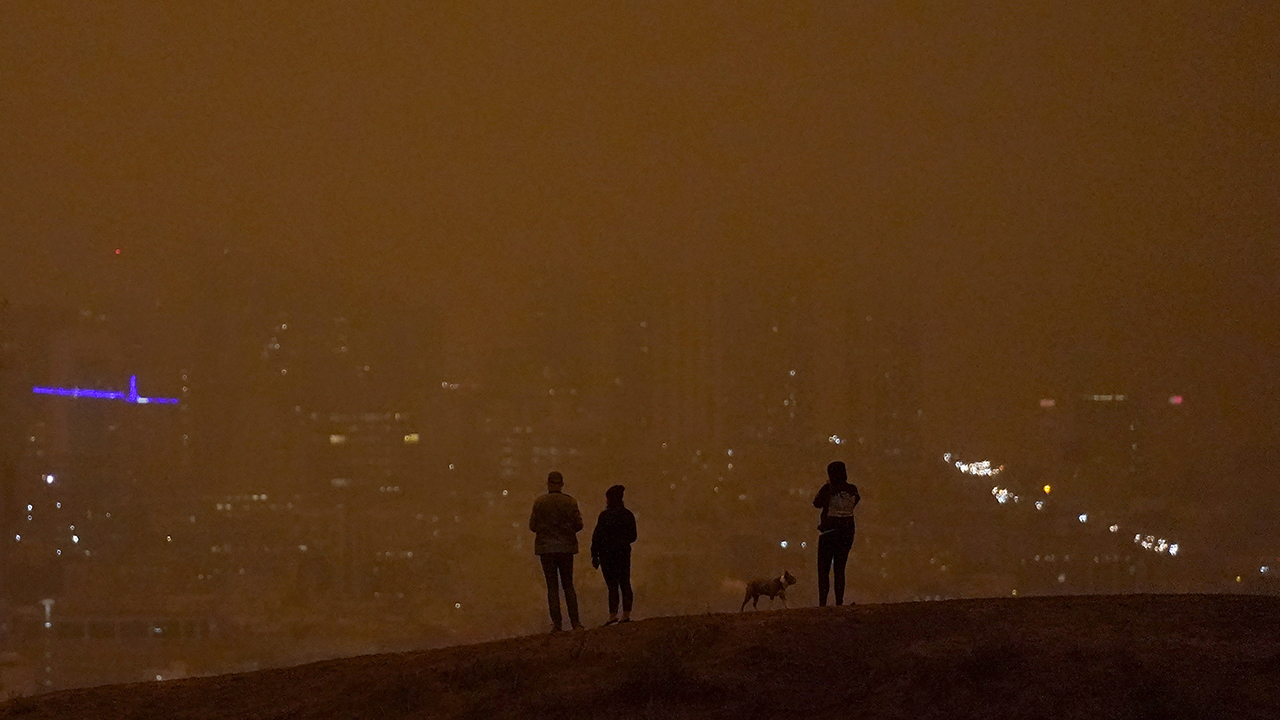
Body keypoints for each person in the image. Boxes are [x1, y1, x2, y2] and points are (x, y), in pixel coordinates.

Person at [529, 471, 585, 631]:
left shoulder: (539, 502)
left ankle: (557, 624)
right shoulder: (570, 502)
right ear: (561, 484)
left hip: (546, 549)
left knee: (552, 587)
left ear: (548, 483)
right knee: (568, 585)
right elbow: (579, 525)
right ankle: (575, 622)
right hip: (566, 548)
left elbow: (532, 526)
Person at [812, 460, 860, 606]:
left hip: (828, 533)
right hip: (846, 534)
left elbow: (816, 503)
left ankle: (823, 603)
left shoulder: (828, 489)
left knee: (823, 570)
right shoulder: (852, 489)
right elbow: (856, 500)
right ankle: (839, 602)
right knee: (840, 570)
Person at [590, 484, 637, 626]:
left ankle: (612, 615)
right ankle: (626, 615)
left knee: (612, 585)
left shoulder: (604, 516)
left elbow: (596, 537)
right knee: (625, 582)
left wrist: (594, 555)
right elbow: (633, 536)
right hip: (623, 553)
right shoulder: (628, 515)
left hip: (607, 554)